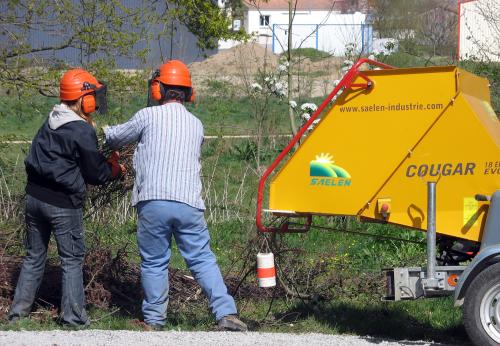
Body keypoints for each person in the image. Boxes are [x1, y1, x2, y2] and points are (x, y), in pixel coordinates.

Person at [104, 60, 247, 331]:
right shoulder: (197, 124)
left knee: (155, 261)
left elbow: (114, 138)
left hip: (154, 201)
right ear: (188, 93)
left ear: (158, 89)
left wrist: (94, 131)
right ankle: (227, 313)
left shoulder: (147, 116)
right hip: (189, 204)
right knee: (202, 258)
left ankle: (155, 320)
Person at [8, 69, 124, 327]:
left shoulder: (51, 119)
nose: (94, 101)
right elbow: (95, 173)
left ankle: (17, 315)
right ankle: (73, 317)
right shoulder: (81, 130)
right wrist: (115, 170)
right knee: (71, 260)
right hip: (61, 204)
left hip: (34, 200)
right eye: (92, 95)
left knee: (34, 256)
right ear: (84, 99)